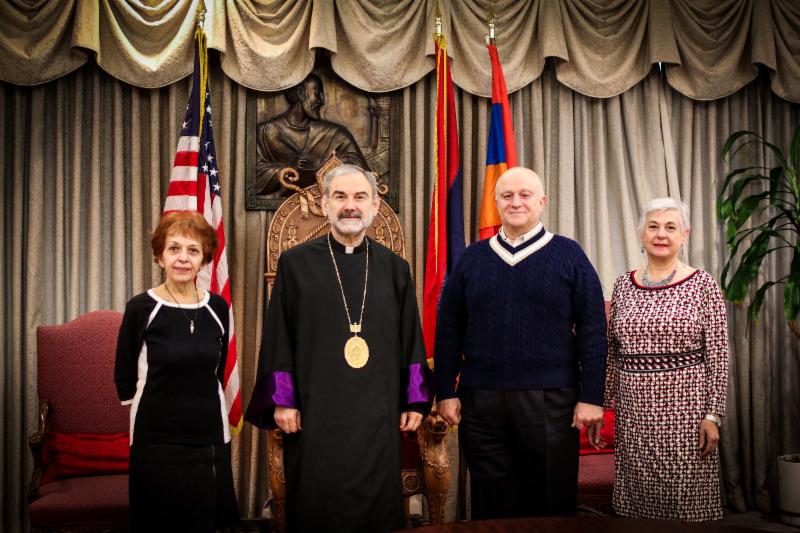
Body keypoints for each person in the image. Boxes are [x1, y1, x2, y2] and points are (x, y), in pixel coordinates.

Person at [245, 164, 432, 532]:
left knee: (377, 509)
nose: (350, 205)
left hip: (378, 415)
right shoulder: (295, 265)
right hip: (315, 413)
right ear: (325, 205)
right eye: (340, 196)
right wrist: (283, 399)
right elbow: (279, 334)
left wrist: (415, 400)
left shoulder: (396, 269)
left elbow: (411, 335)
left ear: (374, 205)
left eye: (360, 197)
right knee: (317, 503)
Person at [434, 167, 608, 518]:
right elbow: (449, 329)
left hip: (551, 401)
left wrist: (591, 397)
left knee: (549, 504)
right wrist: (446, 391)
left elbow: (593, 330)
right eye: (507, 196)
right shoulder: (471, 258)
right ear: (496, 203)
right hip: (481, 402)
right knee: (490, 505)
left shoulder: (569, 254)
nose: (516, 202)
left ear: (542, 202)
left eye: (525, 195)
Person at [605, 198, 729, 521]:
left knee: (686, 508)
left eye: (671, 227)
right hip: (634, 419)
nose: (661, 234)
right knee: (638, 508)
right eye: (653, 226)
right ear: (642, 234)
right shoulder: (623, 285)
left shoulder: (703, 285)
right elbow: (612, 353)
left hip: (686, 417)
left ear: (684, 235)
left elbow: (718, 355)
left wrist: (713, 415)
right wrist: (603, 406)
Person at [114, 211, 239, 532]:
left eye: (193, 250)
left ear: (204, 259)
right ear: (160, 256)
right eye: (174, 249)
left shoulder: (217, 308)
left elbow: (219, 367)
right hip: (155, 437)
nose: (183, 258)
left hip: (208, 434)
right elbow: (124, 373)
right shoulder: (141, 308)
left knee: (205, 521)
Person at [255, 74, 370, 195]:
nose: (322, 100)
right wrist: (288, 169)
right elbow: (254, 177)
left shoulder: (336, 134)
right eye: (317, 93)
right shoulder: (265, 132)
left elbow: (362, 175)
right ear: (300, 93)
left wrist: (325, 172)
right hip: (284, 205)